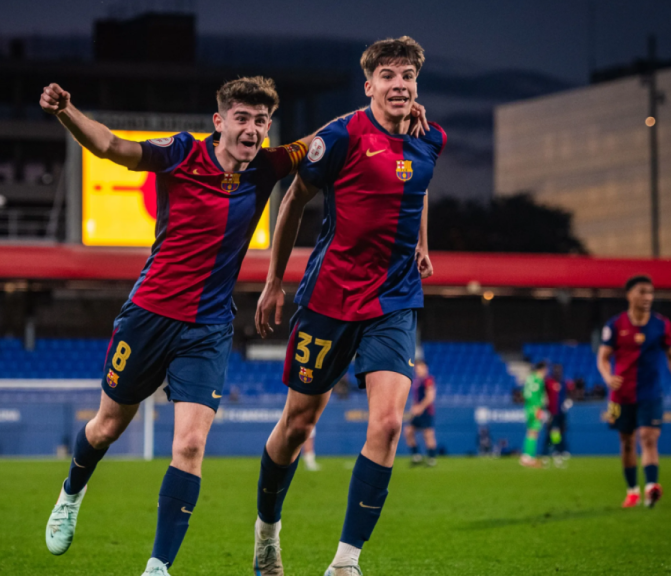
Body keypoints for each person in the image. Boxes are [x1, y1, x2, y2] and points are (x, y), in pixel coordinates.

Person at [38, 77, 428, 575]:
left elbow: (326, 137)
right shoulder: (181, 153)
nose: (252, 130)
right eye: (242, 118)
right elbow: (112, 146)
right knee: (107, 426)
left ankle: (157, 567)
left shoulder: (268, 165)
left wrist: (392, 107)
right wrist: (67, 112)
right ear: (219, 122)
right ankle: (71, 493)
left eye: (261, 121)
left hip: (207, 329)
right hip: (149, 316)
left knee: (189, 444)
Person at [253, 36, 444, 576]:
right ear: (369, 86)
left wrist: (422, 244)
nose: (400, 84)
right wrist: (273, 281)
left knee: (387, 425)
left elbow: (419, 186)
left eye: (408, 76)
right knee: (297, 424)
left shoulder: (431, 137)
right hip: (330, 298)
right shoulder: (339, 137)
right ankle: (267, 533)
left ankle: (345, 562)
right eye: (388, 76)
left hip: (394, 300)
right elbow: (293, 200)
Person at [597, 275, 671, 509]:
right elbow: (603, 357)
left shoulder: (662, 324)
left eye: (650, 292)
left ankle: (651, 487)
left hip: (650, 393)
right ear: (629, 295)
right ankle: (632, 492)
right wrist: (608, 377)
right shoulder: (615, 325)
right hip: (620, 396)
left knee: (649, 437)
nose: (648, 297)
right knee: (626, 442)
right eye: (642, 292)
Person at [402, 359, 437, 467]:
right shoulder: (417, 381)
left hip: (426, 411)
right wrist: (413, 408)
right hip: (417, 411)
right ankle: (416, 456)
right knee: (408, 432)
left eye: (420, 368)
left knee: (428, 434)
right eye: (416, 368)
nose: (417, 370)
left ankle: (431, 459)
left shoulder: (428, 380)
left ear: (425, 368)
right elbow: (416, 398)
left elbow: (430, 396)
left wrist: (420, 407)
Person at [519, 362, 547, 468]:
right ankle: (529, 457)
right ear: (542, 370)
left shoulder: (529, 379)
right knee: (533, 432)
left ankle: (526, 456)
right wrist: (537, 408)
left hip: (528, 408)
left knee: (530, 432)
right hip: (535, 408)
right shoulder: (537, 380)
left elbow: (525, 394)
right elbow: (535, 396)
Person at [542, 363, 570, 466]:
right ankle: (552, 451)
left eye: (559, 370)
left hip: (561, 412)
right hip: (551, 412)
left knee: (561, 432)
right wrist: (545, 408)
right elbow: (543, 394)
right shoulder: (548, 382)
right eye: (556, 370)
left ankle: (558, 450)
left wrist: (567, 402)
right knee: (553, 432)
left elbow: (567, 394)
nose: (558, 372)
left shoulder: (563, 383)